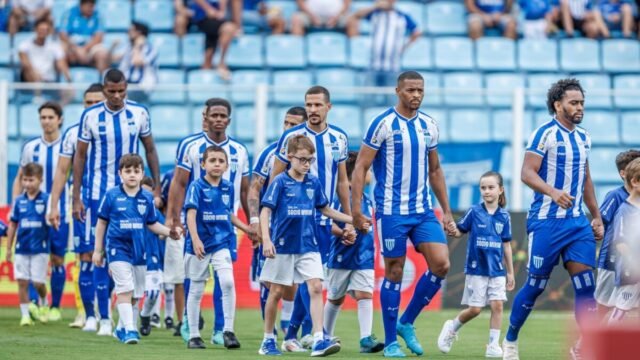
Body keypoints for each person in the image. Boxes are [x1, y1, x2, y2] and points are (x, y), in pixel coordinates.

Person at [351, 70, 454, 357]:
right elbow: (360, 167)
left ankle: (406, 322)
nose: (416, 95)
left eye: (420, 90)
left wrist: (445, 211)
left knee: (442, 264)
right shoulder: (382, 124)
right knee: (394, 271)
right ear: (398, 91)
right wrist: (357, 210)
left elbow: (434, 169)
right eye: (410, 90)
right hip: (391, 212)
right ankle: (391, 342)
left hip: (422, 211)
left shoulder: (429, 125)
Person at [502, 78, 604, 360]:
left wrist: (595, 216)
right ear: (558, 105)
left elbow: (586, 180)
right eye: (574, 102)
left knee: (586, 285)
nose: (579, 107)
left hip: (577, 224)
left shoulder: (584, 138)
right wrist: (552, 191)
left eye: (582, 102)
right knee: (535, 286)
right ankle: (510, 340)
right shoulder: (544, 134)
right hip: (546, 223)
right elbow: (526, 173)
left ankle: (585, 348)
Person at [72, 68, 163, 336]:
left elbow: (150, 149)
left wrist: (155, 187)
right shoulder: (90, 116)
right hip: (98, 193)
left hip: (134, 195)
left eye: (121, 91)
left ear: (126, 88)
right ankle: (100, 318)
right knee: (94, 254)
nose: (116, 96)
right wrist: (76, 196)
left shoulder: (139, 113)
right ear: (103, 89)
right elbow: (79, 157)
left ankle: (124, 320)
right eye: (111, 91)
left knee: (131, 256)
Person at [258, 135, 359, 356]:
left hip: (308, 245)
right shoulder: (280, 182)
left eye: (310, 160)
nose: (306, 164)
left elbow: (325, 209)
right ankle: (268, 340)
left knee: (315, 286)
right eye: (302, 159)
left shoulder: (314, 182)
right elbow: (265, 210)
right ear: (289, 157)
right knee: (275, 292)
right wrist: (266, 239)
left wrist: (353, 219)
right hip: (283, 246)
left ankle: (319, 340)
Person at [270, 86, 352, 352]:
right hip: (294, 220)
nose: (313, 110)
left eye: (318, 105)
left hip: (324, 219)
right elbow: (276, 176)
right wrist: (271, 216)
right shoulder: (292, 136)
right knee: (308, 281)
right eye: (309, 105)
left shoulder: (339, 138)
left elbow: (342, 180)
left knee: (314, 279)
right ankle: (313, 334)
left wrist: (348, 220)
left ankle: (295, 335)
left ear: (329, 107)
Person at [166, 98, 253, 343]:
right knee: (195, 282)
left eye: (222, 116)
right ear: (205, 116)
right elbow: (179, 183)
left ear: (228, 119)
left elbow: (245, 191)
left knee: (225, 279)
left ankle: (221, 329)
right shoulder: (190, 146)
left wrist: (252, 223)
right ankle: (190, 327)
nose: (217, 119)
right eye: (213, 115)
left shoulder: (239, 151)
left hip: (224, 231)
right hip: (197, 228)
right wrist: (174, 218)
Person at [93, 154, 178, 345]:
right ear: (120, 174)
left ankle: (122, 328)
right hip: (117, 249)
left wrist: (169, 232)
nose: (132, 174)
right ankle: (131, 329)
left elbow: (152, 223)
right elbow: (101, 223)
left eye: (136, 171)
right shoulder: (111, 195)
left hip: (140, 252)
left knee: (136, 295)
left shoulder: (147, 198)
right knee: (125, 288)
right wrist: (98, 250)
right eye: (128, 171)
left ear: (141, 174)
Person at [438, 171, 515, 358]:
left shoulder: (504, 217)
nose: (486, 191)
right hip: (476, 268)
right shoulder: (474, 211)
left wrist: (510, 272)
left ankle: (492, 346)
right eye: (483, 188)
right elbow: (459, 231)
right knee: (475, 309)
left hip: (497, 270)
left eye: (491, 187)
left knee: (497, 305)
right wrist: (450, 229)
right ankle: (452, 327)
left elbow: (506, 246)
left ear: (500, 190)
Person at [48, 83, 104, 330]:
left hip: (111, 203)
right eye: (88, 103)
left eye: (96, 102)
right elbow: (62, 170)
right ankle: (87, 313)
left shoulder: (117, 130)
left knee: (112, 259)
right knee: (85, 257)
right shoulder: (73, 133)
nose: (91, 107)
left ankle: (108, 310)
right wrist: (54, 205)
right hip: (82, 204)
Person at [247, 106, 307, 338]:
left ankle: (297, 329)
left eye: (294, 125)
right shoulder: (270, 153)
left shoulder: (311, 156)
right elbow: (255, 187)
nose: (288, 129)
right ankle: (269, 332)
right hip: (272, 226)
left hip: (302, 227)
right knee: (269, 280)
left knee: (303, 280)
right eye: (286, 124)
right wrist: (255, 220)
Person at [183, 145, 249, 349]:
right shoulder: (196, 186)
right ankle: (194, 335)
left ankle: (228, 331)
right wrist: (194, 239)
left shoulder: (229, 187)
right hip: (200, 244)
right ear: (203, 164)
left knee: (228, 282)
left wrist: (246, 228)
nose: (217, 164)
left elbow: (227, 214)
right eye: (212, 160)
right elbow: (191, 214)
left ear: (227, 165)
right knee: (196, 288)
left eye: (221, 161)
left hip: (222, 242)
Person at [323, 151, 384, 354]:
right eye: (368, 170)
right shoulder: (340, 196)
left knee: (365, 295)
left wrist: (363, 227)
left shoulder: (366, 197)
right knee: (335, 298)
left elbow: (364, 223)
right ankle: (325, 335)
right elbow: (326, 222)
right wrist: (342, 232)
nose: (371, 174)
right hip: (341, 255)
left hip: (364, 256)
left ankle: (365, 339)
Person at [12, 102, 68, 323]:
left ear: (59, 119)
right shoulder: (30, 147)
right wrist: (17, 205)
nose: (46, 121)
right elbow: (19, 178)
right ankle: (34, 304)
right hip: (32, 215)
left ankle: (54, 306)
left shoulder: (68, 146)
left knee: (56, 259)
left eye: (50, 117)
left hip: (59, 211)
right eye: (43, 117)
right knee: (31, 258)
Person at [594, 150, 640, 319]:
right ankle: (589, 341)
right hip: (611, 261)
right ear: (624, 173)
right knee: (604, 304)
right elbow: (600, 221)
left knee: (628, 305)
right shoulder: (616, 196)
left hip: (632, 262)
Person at [5, 163, 50, 326]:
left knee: (38, 283)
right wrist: (9, 249)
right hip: (21, 248)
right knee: (22, 281)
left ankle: (44, 302)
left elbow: (52, 224)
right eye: (25, 180)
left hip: (40, 249)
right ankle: (24, 315)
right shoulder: (18, 202)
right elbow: (12, 225)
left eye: (31, 180)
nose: (27, 184)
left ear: (40, 180)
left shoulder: (46, 200)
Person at [347, 0, 420, 87]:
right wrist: (375, 6)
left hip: (393, 66)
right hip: (373, 65)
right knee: (369, 95)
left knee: (391, 97)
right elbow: (356, 15)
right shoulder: (375, 13)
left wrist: (404, 47)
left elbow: (416, 31)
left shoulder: (401, 16)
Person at [607, 158, 640, 323]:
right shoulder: (625, 211)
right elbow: (620, 243)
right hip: (631, 273)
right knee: (621, 310)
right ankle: (607, 342)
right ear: (635, 182)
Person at [173, 0, 238, 79]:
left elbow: (221, 9)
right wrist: (207, 10)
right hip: (200, 17)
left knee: (228, 29)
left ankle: (220, 63)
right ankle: (180, 58)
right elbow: (179, 7)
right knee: (180, 20)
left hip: (212, 20)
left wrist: (220, 11)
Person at [139, 176, 166, 336]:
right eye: (143, 192)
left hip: (152, 255)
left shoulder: (154, 211)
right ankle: (127, 326)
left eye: (149, 193)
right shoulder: (128, 206)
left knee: (153, 293)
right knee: (131, 293)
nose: (146, 196)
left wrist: (169, 233)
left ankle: (145, 315)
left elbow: (161, 229)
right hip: (132, 255)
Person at [58, 0, 109, 73]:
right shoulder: (69, 13)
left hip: (91, 47)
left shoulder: (98, 15)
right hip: (71, 46)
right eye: (89, 5)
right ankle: (65, 80)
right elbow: (62, 35)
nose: (91, 8)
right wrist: (75, 49)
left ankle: (101, 81)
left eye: (93, 5)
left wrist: (84, 49)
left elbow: (99, 37)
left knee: (102, 55)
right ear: (81, 5)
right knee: (59, 52)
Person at [115, 21, 158, 104]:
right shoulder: (128, 47)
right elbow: (112, 59)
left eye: (131, 30)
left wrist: (138, 46)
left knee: (118, 97)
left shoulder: (150, 49)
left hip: (141, 88)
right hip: (126, 86)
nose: (128, 32)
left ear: (139, 33)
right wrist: (113, 47)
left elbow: (136, 62)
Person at [18, 17, 71, 84]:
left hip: (48, 79)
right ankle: (37, 89)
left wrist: (69, 80)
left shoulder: (54, 46)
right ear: (35, 29)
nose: (43, 32)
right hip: (31, 78)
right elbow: (25, 62)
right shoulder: (25, 45)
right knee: (27, 70)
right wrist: (36, 75)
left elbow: (61, 63)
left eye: (45, 30)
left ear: (48, 32)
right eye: (41, 29)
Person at [159, 169, 178, 331]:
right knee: (167, 277)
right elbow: (160, 202)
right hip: (168, 231)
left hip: (188, 231)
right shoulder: (170, 176)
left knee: (188, 278)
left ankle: (172, 316)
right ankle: (162, 315)